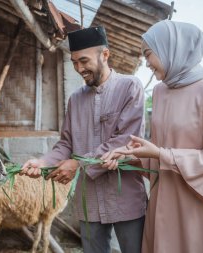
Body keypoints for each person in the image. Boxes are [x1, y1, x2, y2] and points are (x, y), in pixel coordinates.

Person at [102, 20, 203, 253]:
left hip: (197, 205)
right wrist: (129, 157)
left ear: (171, 48)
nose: (146, 63)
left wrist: (159, 154)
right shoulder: (160, 91)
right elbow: (159, 152)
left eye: (148, 54)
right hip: (161, 202)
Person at [20, 26, 147, 253]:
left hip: (125, 196)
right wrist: (43, 162)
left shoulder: (130, 87)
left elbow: (126, 140)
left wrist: (79, 163)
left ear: (105, 55)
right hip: (88, 200)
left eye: (84, 61)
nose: (79, 68)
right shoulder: (76, 99)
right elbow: (66, 144)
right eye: (74, 62)